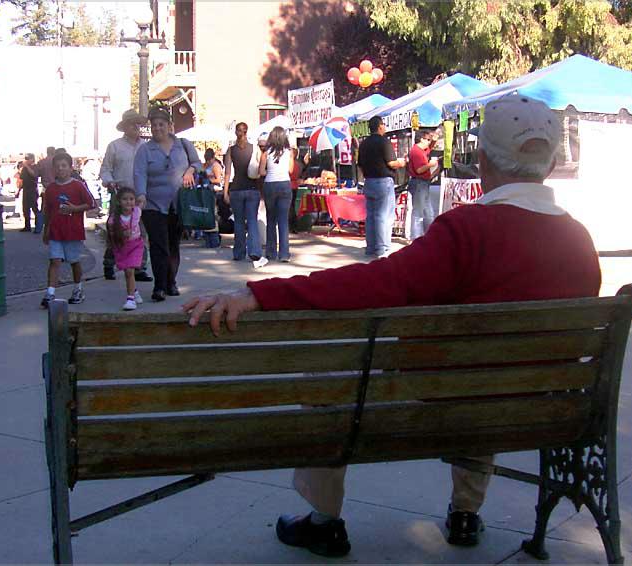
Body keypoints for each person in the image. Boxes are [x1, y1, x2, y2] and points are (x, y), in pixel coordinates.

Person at [182, 94, 602, 557]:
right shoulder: (580, 241)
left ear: (482, 159)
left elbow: (377, 282)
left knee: (328, 376)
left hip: (439, 398)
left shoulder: (467, 230)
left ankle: (324, 519)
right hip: (534, 407)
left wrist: (260, 293)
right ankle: (466, 512)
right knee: (490, 375)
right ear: (551, 162)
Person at [133, 107, 201, 302]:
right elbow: (140, 173)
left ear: (169, 126)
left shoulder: (183, 145)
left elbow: (197, 163)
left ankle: (171, 282)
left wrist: (190, 171)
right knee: (159, 245)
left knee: (173, 245)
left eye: (161, 124)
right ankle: (159, 286)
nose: (157, 128)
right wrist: (141, 194)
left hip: (179, 204)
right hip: (153, 204)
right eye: (154, 125)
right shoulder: (145, 150)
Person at [99, 109, 152, 282]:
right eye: (132, 123)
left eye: (138, 123)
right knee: (116, 231)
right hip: (120, 193)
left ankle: (139, 267)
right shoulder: (114, 146)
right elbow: (105, 169)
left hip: (140, 195)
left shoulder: (145, 146)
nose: (136, 126)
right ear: (125, 127)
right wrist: (109, 181)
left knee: (140, 232)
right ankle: (109, 262)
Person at [40, 152, 96, 309]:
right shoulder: (50, 189)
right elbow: (47, 211)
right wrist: (46, 230)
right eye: (57, 167)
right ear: (53, 170)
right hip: (56, 231)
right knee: (54, 260)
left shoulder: (78, 186)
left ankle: (78, 288)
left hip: (73, 230)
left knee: (74, 261)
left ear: (71, 168)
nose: (61, 169)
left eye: (64, 166)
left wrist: (75, 208)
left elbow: (91, 203)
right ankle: (50, 292)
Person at [357, 116, 406, 258]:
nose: (385, 127)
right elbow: (392, 163)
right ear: (379, 126)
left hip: (369, 181)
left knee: (371, 216)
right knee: (383, 216)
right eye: (384, 125)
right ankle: (381, 247)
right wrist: (402, 162)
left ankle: (371, 247)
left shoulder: (364, 143)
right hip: (383, 181)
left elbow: (360, 164)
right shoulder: (384, 142)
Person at [223, 122, 268, 268]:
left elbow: (228, 172)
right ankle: (254, 251)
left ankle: (239, 253)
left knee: (239, 222)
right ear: (246, 132)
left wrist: (225, 192)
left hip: (236, 189)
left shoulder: (231, 151)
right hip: (252, 189)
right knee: (252, 221)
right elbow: (262, 167)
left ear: (236, 132)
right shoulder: (255, 149)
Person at [258, 126, 294, 262]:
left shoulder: (266, 153)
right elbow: (290, 170)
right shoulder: (288, 152)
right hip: (285, 184)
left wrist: (270, 173)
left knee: (271, 219)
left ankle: (271, 252)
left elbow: (261, 172)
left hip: (270, 185)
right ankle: (284, 254)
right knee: (283, 220)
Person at [106, 187, 145, 311]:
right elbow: (112, 235)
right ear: (118, 201)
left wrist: (141, 195)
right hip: (121, 247)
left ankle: (130, 299)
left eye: (131, 199)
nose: (128, 202)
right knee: (127, 272)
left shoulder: (137, 212)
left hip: (135, 245)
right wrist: (121, 234)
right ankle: (134, 291)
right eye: (125, 199)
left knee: (129, 271)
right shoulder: (113, 219)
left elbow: (141, 203)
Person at [407, 130, 440, 239]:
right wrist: (430, 164)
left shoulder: (421, 150)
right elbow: (419, 169)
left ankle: (430, 236)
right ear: (421, 139)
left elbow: (429, 148)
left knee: (428, 211)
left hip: (423, 183)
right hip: (419, 183)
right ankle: (416, 237)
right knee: (418, 212)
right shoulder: (416, 151)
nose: (429, 142)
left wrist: (434, 140)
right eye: (428, 140)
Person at [201, 147, 224, 248]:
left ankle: (214, 240)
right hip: (206, 192)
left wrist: (209, 180)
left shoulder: (216, 166)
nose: (208, 161)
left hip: (213, 192)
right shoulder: (207, 165)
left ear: (213, 158)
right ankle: (208, 240)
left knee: (212, 214)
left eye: (209, 159)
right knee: (206, 214)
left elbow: (218, 180)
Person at [17, 153, 40, 232]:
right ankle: (27, 226)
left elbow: (34, 175)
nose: (26, 160)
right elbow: (22, 180)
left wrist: (27, 166)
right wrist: (18, 190)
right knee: (25, 209)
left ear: (32, 159)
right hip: (26, 189)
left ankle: (38, 225)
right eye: (26, 159)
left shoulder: (35, 167)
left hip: (33, 189)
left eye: (28, 159)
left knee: (34, 208)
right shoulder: (24, 169)